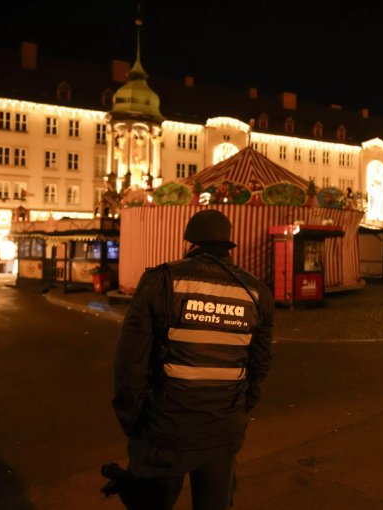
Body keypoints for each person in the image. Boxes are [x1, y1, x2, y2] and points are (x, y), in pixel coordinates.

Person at [111, 209, 274, 510]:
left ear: (190, 243)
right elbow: (259, 365)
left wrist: (132, 419)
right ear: (227, 246)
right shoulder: (256, 292)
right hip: (223, 431)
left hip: (165, 431)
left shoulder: (163, 280)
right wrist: (238, 410)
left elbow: (130, 362)